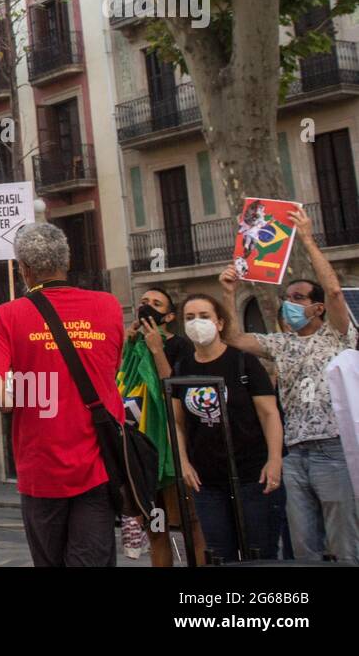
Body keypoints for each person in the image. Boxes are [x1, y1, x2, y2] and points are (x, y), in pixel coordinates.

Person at [218, 206, 359, 562]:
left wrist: (308, 238)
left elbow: (335, 291)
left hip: (334, 450)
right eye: (286, 299)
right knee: (302, 546)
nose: (289, 305)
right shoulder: (281, 343)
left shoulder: (338, 336)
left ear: (318, 309)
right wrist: (229, 293)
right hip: (295, 454)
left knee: (344, 544)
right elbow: (233, 337)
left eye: (298, 299)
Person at [0, 222, 125, 567]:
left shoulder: (8, 316)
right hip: (99, 466)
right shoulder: (109, 307)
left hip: (40, 472)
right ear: (67, 262)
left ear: (25, 270)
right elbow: (109, 371)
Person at [170, 293, 283, 562]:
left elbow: (269, 414)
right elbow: (175, 421)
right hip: (207, 481)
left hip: (252, 475)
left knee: (260, 553)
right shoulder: (182, 368)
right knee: (221, 555)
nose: (197, 323)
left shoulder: (244, 362)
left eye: (204, 316)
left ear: (219, 323)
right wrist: (183, 462)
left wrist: (275, 460)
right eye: (190, 318)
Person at [118, 286, 202, 566]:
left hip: (171, 448)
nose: (148, 306)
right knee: (157, 528)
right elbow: (122, 385)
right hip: (144, 450)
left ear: (168, 317)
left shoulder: (180, 345)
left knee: (190, 523)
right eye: (144, 302)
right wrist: (131, 347)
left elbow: (173, 387)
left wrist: (156, 350)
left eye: (156, 303)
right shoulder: (133, 345)